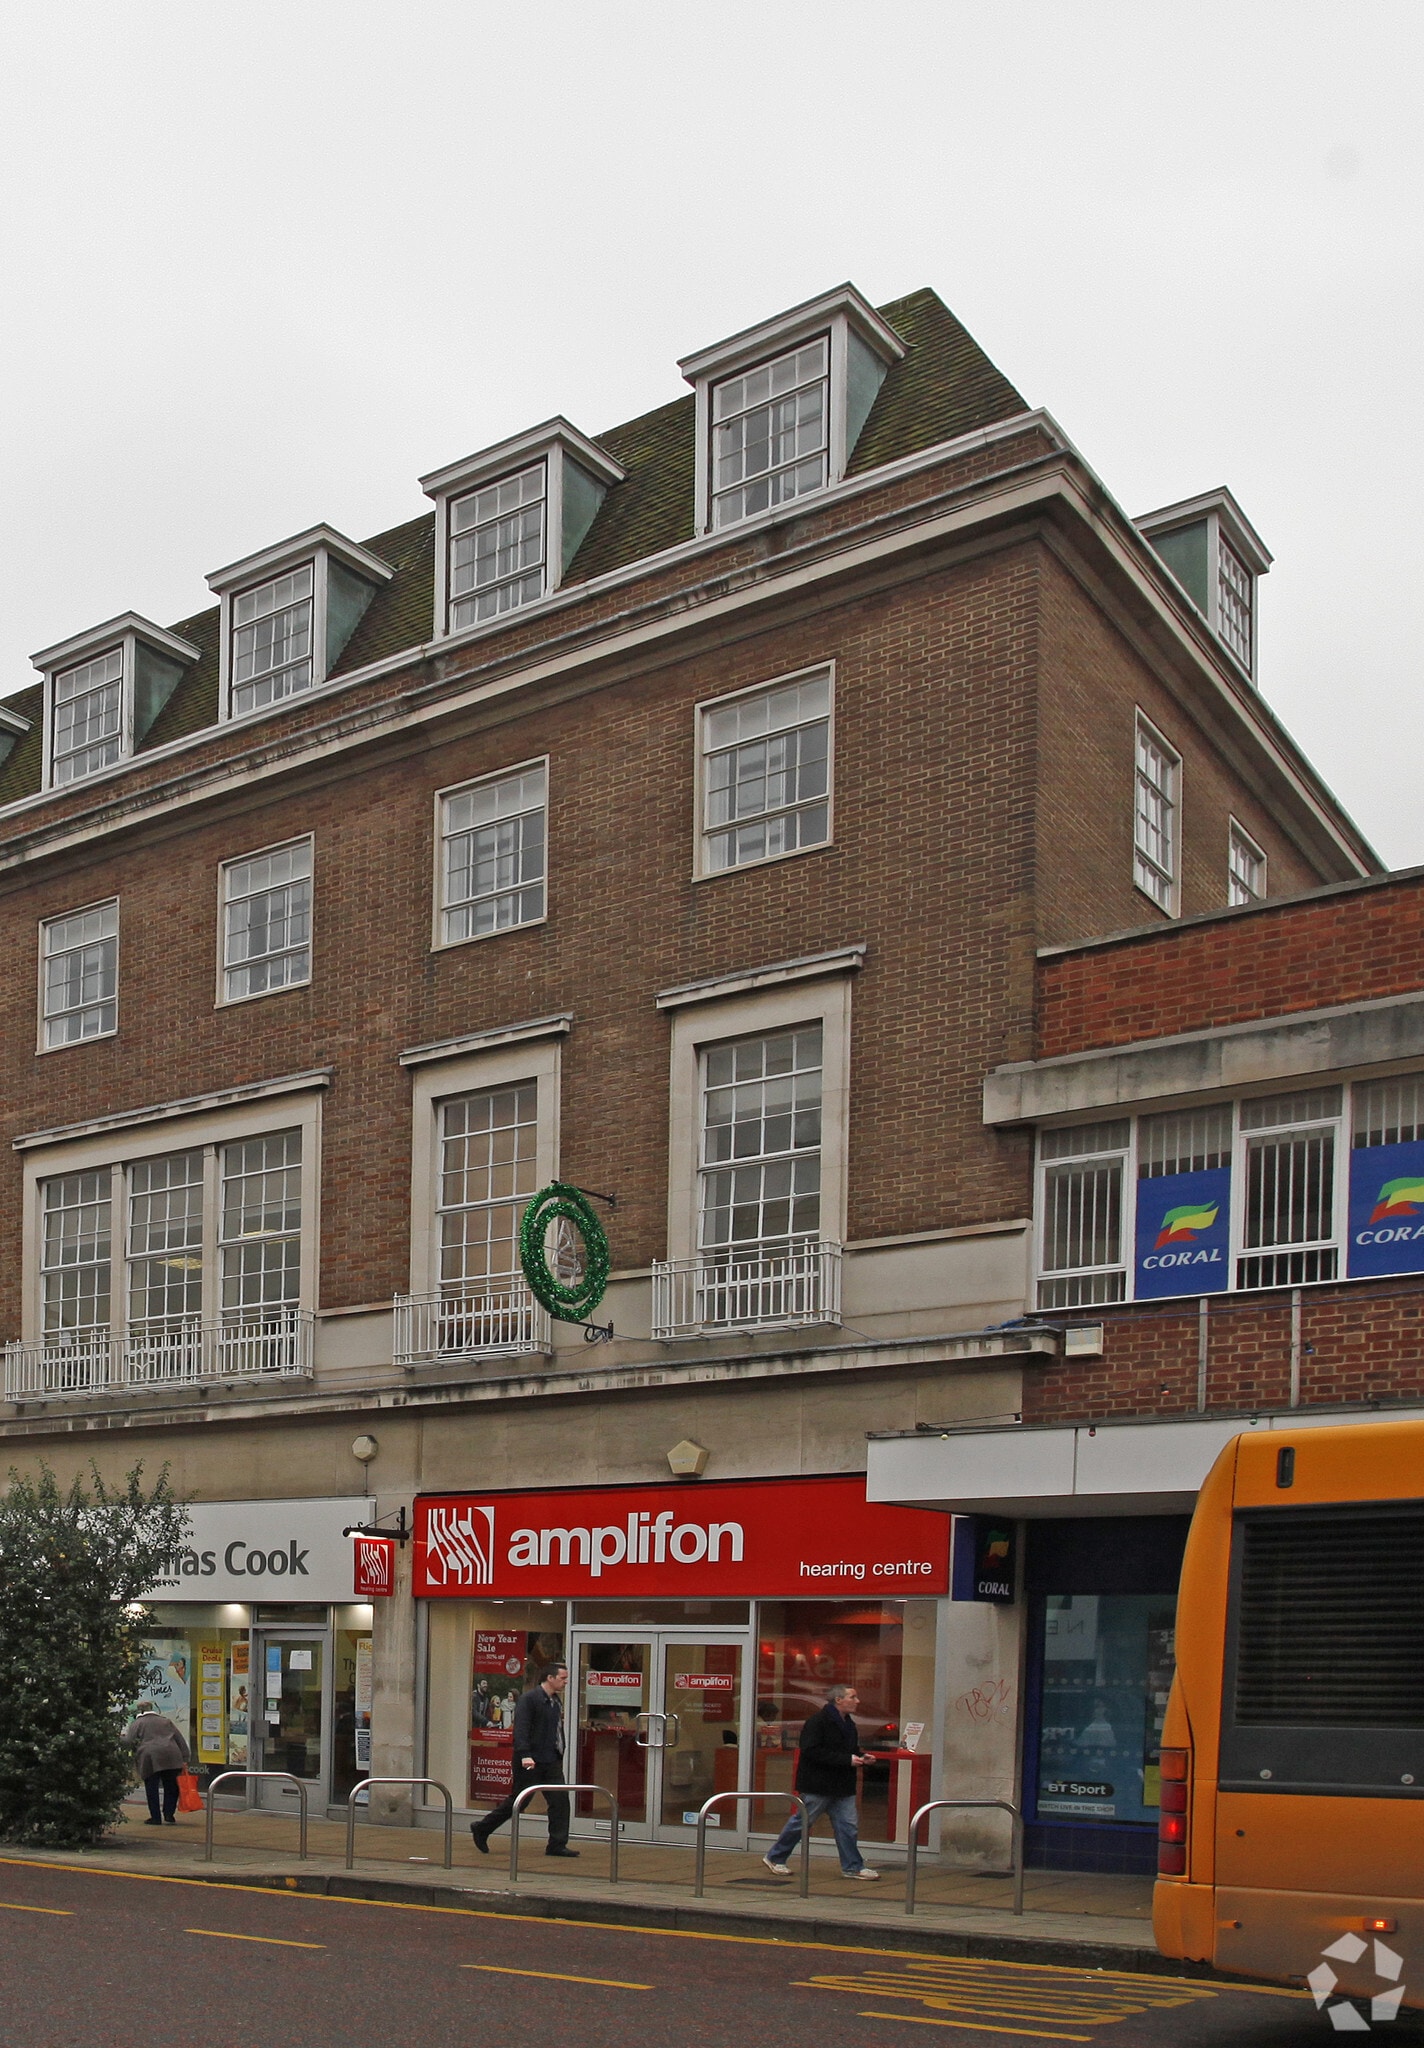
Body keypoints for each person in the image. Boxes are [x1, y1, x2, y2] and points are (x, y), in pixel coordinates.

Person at [763, 1683, 878, 1880]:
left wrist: (861, 1756)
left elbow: (847, 1749)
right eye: (853, 1697)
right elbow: (812, 1751)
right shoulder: (817, 1722)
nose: (857, 1701)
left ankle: (852, 1866)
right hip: (819, 1784)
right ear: (838, 1700)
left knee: (848, 1827)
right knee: (802, 1823)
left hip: (842, 1786)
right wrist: (848, 1760)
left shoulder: (848, 1723)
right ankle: (775, 1857)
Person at [470, 1663, 578, 1858]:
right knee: (520, 1800)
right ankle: (482, 1828)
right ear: (550, 1678)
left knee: (560, 1800)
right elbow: (521, 1729)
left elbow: (555, 1730)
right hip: (530, 1759)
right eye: (562, 1678)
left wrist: (559, 1751)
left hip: (550, 1759)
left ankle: (557, 1844)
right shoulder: (530, 1699)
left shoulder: (555, 1701)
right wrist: (525, 1754)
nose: (565, 1682)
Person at [123, 1702, 191, 1827]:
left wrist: (118, 1739)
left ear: (139, 1711)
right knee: (171, 1787)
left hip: (150, 1758)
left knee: (152, 1788)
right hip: (172, 1755)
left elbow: (129, 1741)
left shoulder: (137, 1723)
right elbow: (179, 1739)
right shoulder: (166, 1721)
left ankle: (155, 1817)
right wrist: (185, 1757)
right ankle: (169, 1814)